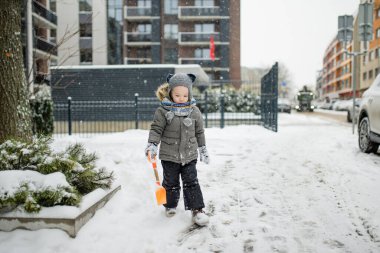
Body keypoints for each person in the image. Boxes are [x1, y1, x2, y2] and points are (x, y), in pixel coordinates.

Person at [145, 73, 210, 226]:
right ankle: (170, 205)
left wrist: (203, 149)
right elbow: (156, 129)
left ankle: (197, 210)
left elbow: (199, 132)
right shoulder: (163, 111)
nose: (181, 98)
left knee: (191, 182)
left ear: (190, 93)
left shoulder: (194, 111)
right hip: (169, 155)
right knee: (170, 182)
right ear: (170, 93)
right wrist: (152, 144)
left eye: (185, 95)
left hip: (189, 154)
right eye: (177, 95)